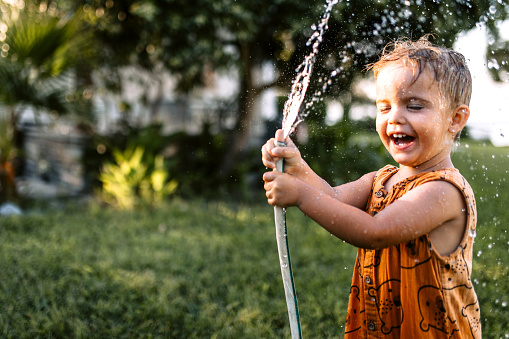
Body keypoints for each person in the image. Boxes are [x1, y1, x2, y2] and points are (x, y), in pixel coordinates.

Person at [261, 36, 480, 338]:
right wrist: (299, 169)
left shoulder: (444, 190)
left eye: (414, 106)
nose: (395, 118)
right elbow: (333, 197)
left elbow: (374, 233)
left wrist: (300, 195)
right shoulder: (381, 178)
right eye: (384, 107)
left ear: (455, 119)